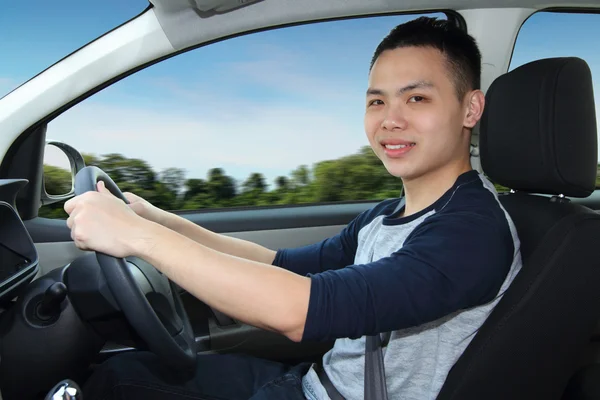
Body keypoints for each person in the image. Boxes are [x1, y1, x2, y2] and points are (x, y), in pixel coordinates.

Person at [66, 16, 522, 400]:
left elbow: (297, 310)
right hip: (311, 383)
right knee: (118, 378)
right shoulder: (386, 216)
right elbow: (279, 264)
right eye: (377, 101)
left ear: (470, 109)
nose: (390, 119)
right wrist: (159, 220)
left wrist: (138, 237)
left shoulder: (473, 233)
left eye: (417, 98)